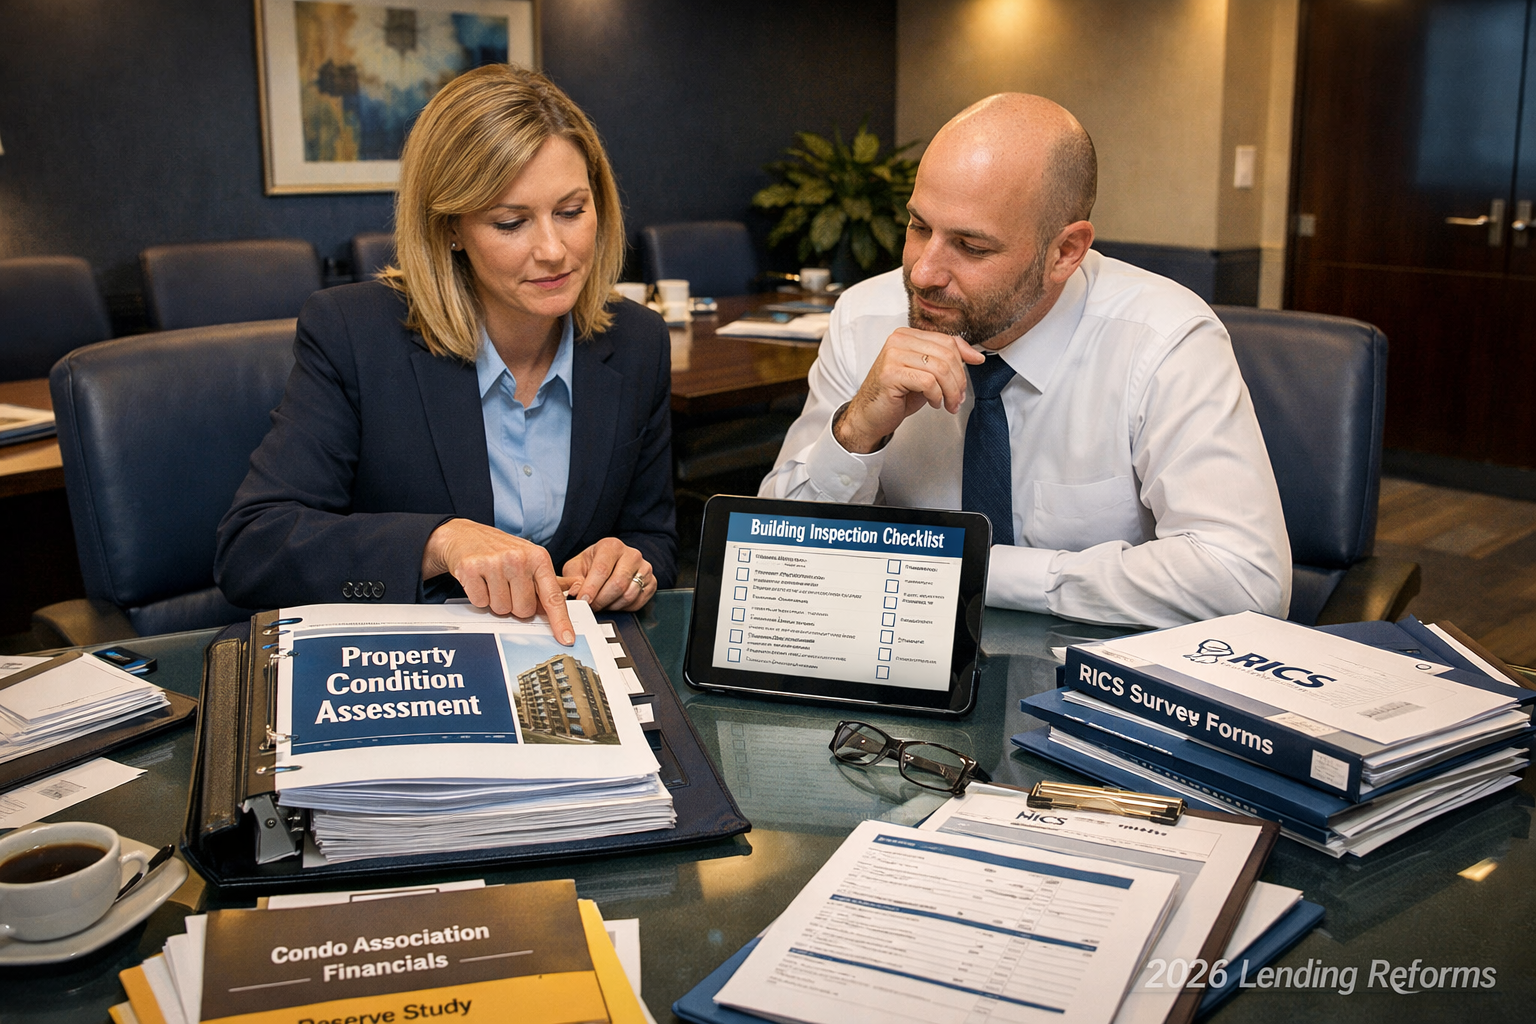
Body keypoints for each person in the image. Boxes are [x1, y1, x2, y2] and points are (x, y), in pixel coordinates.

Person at [760, 94, 1290, 628]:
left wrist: (980, 569)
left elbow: (1245, 579)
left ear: (1065, 253)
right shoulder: (864, 318)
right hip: (892, 665)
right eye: (919, 227)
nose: (922, 273)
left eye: (970, 246)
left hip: (1088, 677)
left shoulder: (1163, 342)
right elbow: (769, 559)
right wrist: (854, 433)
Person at [216, 65, 676, 646]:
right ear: (451, 228)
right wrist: (439, 542)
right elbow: (253, 548)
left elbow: (653, 536)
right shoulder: (355, 334)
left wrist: (630, 567)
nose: (555, 251)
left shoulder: (637, 342)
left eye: (571, 211)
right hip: (409, 670)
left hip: (569, 666)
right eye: (510, 222)